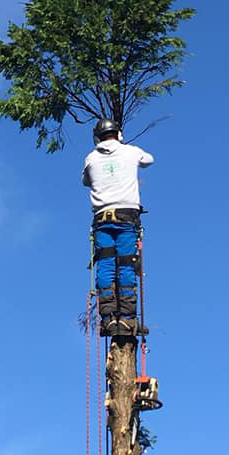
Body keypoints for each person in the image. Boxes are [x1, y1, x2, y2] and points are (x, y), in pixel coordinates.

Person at [82, 118, 154, 336]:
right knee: (126, 265)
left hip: (102, 218)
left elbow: (86, 181)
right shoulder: (131, 152)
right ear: (119, 134)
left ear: (97, 137)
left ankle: (108, 319)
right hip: (127, 216)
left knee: (105, 265)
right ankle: (128, 320)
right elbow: (149, 160)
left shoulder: (90, 158)